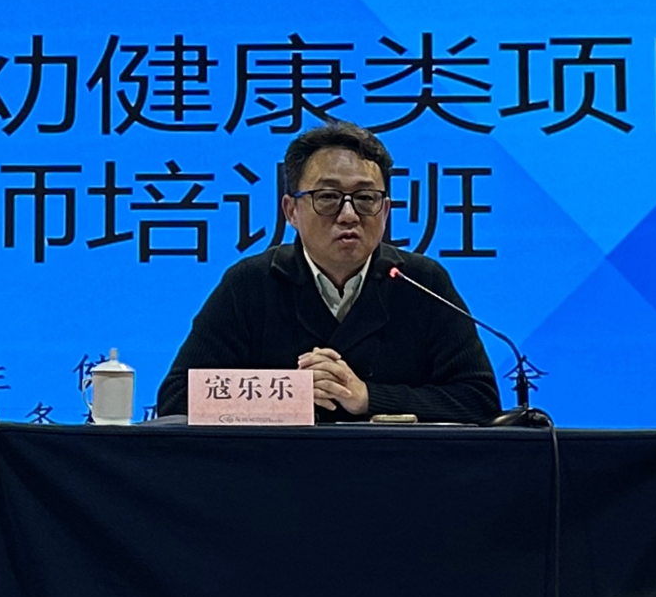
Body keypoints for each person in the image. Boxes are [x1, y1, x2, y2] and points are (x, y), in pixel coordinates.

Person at [155, 122, 501, 423]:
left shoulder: (421, 281)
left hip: (394, 471)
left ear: (385, 210)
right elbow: (177, 399)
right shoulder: (250, 283)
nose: (349, 215)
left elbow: (480, 402)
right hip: (275, 472)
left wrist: (367, 397)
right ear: (291, 210)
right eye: (328, 196)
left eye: (365, 198)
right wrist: (291, 395)